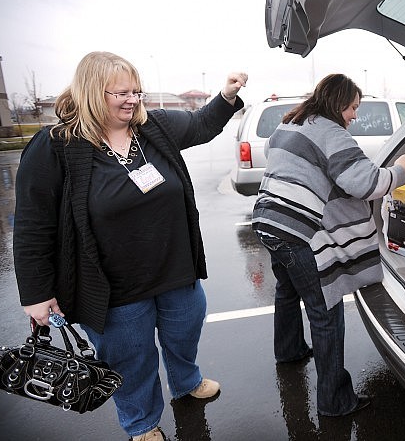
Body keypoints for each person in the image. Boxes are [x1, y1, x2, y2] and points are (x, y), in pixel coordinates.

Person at [13, 51, 247, 441]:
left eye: (136, 91)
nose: (132, 100)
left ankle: (186, 380)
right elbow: (34, 225)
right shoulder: (55, 146)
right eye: (120, 93)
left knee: (184, 332)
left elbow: (202, 125)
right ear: (90, 92)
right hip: (112, 287)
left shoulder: (153, 127)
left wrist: (225, 96)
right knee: (130, 358)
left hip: (176, 269)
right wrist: (37, 294)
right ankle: (141, 422)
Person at [251, 73, 405, 417]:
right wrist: (400, 170)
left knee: (286, 290)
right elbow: (368, 183)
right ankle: (335, 401)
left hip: (267, 220)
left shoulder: (292, 123)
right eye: (353, 107)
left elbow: (278, 155)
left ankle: (290, 350)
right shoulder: (332, 133)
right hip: (296, 232)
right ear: (339, 103)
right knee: (326, 311)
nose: (355, 115)